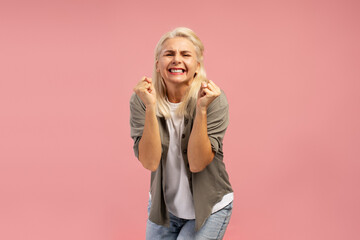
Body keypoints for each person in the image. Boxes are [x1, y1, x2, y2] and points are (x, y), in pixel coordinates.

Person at [130, 27, 233, 240]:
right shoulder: (142, 99)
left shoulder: (214, 99)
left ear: (197, 66)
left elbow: (197, 163)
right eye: (169, 54)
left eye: (185, 54)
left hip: (209, 208)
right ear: (158, 65)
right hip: (165, 209)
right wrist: (151, 107)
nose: (177, 59)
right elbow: (150, 162)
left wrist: (202, 109)